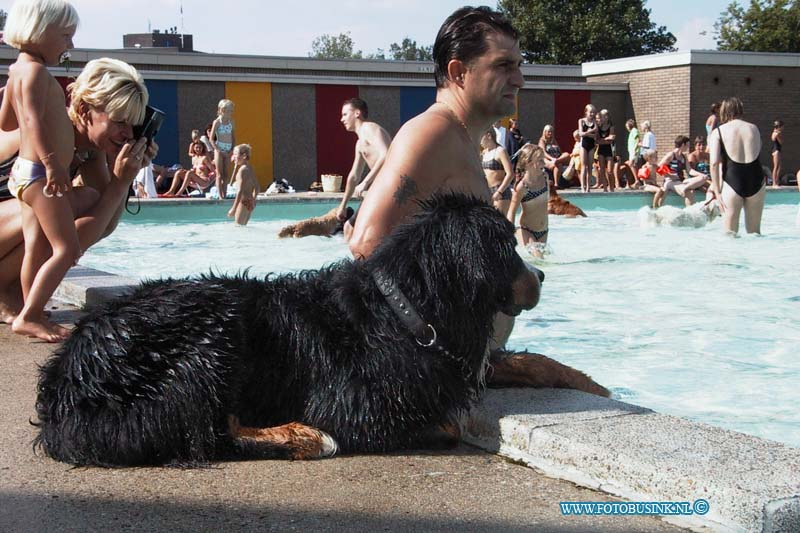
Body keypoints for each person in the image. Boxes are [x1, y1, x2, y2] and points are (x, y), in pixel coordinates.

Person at [0, 57, 155, 328]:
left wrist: (121, 180)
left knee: (87, 203)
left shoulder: (88, 151)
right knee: (56, 206)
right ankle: (6, 291)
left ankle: (11, 289)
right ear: (84, 109)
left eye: (132, 125)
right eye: (119, 121)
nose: (126, 133)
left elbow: (102, 226)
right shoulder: (50, 133)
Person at [0, 0, 92, 341]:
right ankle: (32, 315)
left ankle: (29, 308)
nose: (70, 45)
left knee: (36, 245)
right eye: (66, 36)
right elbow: (30, 121)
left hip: (23, 174)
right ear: (41, 30)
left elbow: (7, 121)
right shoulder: (37, 73)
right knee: (65, 248)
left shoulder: (17, 72)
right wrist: (54, 164)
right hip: (40, 174)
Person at [708, 97, 766, 234]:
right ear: (740, 110)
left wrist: (716, 190)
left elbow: (714, 163)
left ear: (724, 111)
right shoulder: (754, 128)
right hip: (756, 179)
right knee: (755, 233)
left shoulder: (719, 131)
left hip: (733, 180)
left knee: (730, 234)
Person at [335, 97, 392, 236]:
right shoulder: (359, 143)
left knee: (351, 229)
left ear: (357, 113)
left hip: (390, 189)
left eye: (344, 114)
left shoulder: (370, 128)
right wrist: (343, 205)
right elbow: (354, 176)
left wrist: (365, 183)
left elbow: (386, 155)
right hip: (380, 190)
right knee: (350, 229)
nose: (342, 119)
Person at [507, 144, 548, 258]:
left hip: (544, 231)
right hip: (526, 230)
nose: (544, 164)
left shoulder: (545, 177)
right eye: (540, 161)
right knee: (540, 259)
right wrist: (509, 234)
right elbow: (512, 211)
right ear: (529, 163)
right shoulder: (522, 187)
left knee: (542, 264)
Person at [481, 128, 514, 213]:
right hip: (487, 191)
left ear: (489, 136)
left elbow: (510, 174)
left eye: (481, 136)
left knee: (500, 222)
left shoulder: (500, 151)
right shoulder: (485, 152)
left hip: (500, 191)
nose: (479, 140)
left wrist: (499, 191)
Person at [227, 144, 259, 226]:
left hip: (243, 202)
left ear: (244, 156)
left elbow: (239, 191)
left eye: (235, 154)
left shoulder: (242, 170)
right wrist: (253, 200)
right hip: (249, 202)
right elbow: (257, 186)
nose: (233, 157)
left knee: (238, 227)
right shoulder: (250, 168)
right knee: (243, 226)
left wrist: (234, 208)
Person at [210, 99, 235, 198]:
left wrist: (232, 150)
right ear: (222, 110)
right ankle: (220, 196)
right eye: (229, 111)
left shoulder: (231, 122)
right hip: (219, 149)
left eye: (232, 111)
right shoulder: (217, 122)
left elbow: (233, 138)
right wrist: (218, 150)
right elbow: (211, 139)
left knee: (226, 174)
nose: (231, 113)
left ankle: (224, 194)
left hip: (228, 149)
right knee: (219, 174)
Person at [538, 125, 569, 189]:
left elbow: (560, 151)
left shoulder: (553, 140)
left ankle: (557, 161)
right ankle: (556, 184)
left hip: (556, 159)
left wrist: (558, 158)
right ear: (545, 132)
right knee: (558, 164)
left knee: (567, 154)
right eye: (549, 132)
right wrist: (552, 158)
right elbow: (543, 153)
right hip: (547, 160)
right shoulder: (542, 140)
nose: (550, 133)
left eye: (552, 132)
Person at [577, 104, 598, 193]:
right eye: (590, 112)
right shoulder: (581, 121)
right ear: (586, 112)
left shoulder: (595, 122)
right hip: (584, 145)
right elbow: (581, 133)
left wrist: (587, 133)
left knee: (590, 167)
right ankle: (582, 186)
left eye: (593, 112)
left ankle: (588, 187)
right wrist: (590, 133)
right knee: (583, 166)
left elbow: (596, 135)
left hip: (591, 145)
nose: (592, 114)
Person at [594, 109, 615, 191]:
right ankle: (605, 188)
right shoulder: (598, 128)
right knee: (602, 170)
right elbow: (597, 141)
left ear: (608, 117)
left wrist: (603, 140)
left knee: (610, 171)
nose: (604, 117)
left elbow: (611, 140)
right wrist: (606, 139)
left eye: (606, 115)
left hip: (609, 150)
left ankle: (612, 188)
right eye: (603, 116)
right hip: (601, 151)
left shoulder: (611, 127)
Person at [625, 118, 641, 187]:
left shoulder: (634, 131)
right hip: (631, 152)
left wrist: (635, 150)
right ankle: (636, 180)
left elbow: (638, 140)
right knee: (633, 165)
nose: (626, 127)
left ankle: (637, 180)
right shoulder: (631, 132)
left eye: (627, 126)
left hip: (634, 152)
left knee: (631, 164)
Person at [771, 120, 783, 188]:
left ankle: (777, 181)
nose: (782, 128)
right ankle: (774, 183)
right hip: (776, 151)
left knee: (779, 166)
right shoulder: (775, 133)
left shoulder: (777, 132)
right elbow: (773, 139)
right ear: (778, 127)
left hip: (778, 150)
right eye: (781, 127)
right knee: (776, 166)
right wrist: (778, 136)